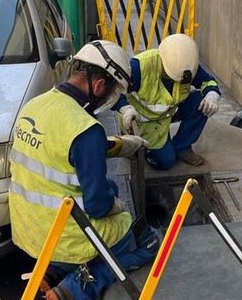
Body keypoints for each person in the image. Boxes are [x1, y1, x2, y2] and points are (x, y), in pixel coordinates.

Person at [8, 40, 160, 300]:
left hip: (30, 230)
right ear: (99, 85)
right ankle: (74, 288)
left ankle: (50, 272)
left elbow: (56, 150)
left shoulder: (33, 106)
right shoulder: (86, 129)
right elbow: (98, 206)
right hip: (67, 235)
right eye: (110, 92)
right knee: (148, 240)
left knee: (110, 190)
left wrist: (118, 145)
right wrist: (118, 206)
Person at [115, 33, 222, 169]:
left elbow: (207, 80)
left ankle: (182, 147)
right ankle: (138, 147)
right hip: (142, 121)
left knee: (200, 101)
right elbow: (115, 90)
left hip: (167, 113)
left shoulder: (186, 65)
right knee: (166, 162)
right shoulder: (139, 68)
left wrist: (212, 94)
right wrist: (125, 109)